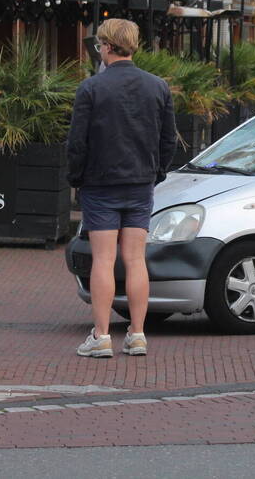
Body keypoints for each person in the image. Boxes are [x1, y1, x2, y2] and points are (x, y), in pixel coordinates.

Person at [67, 19, 177, 359]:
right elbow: (168, 138)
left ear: (108, 46)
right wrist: (156, 172)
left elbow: (77, 142)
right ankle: (138, 333)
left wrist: (76, 177)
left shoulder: (91, 88)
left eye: (100, 44)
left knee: (103, 259)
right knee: (135, 259)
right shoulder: (158, 87)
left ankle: (101, 336)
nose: (99, 50)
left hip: (100, 183)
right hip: (140, 182)